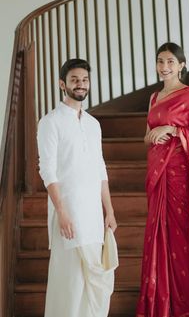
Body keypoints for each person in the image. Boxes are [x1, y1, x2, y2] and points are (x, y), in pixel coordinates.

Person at [136, 43, 189, 317]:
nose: (164, 67)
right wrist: (152, 135)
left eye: (170, 61)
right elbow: (147, 136)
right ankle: (164, 304)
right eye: (160, 61)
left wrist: (172, 129)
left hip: (182, 180)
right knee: (161, 239)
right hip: (159, 178)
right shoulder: (153, 98)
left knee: (183, 241)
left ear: (181, 65)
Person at [37, 58, 117, 317]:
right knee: (69, 285)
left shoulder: (94, 124)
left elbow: (100, 168)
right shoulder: (50, 122)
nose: (80, 84)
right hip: (68, 215)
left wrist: (109, 210)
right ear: (62, 84)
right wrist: (61, 211)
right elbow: (47, 170)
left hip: (93, 216)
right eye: (74, 80)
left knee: (95, 288)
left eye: (84, 79)